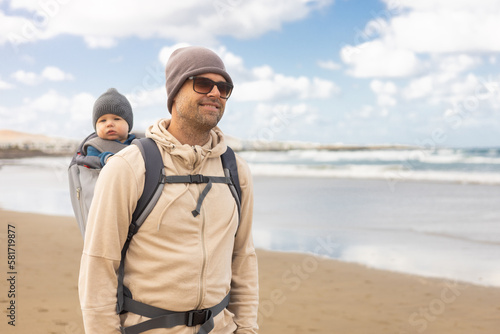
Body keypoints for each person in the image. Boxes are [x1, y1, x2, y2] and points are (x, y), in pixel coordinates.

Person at [78, 46, 259, 334]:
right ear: (175, 93)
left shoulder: (236, 170)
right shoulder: (129, 166)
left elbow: (243, 258)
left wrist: (247, 328)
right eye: (203, 83)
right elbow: (99, 265)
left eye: (223, 87)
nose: (215, 93)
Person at [85, 88, 136, 166]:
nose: (109, 124)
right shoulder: (94, 146)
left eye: (116, 119)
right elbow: (92, 162)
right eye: (103, 121)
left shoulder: (138, 144)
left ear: (128, 124)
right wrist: (106, 158)